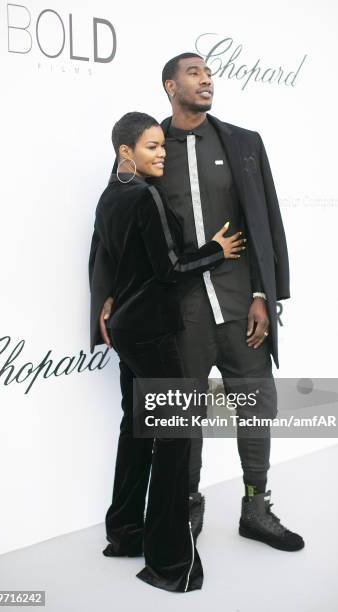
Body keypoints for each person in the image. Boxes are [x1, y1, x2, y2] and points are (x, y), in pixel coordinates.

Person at [104, 53, 305, 553]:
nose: (206, 78)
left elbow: (265, 222)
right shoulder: (152, 148)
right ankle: (185, 507)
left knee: (257, 404)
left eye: (209, 72)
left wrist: (265, 294)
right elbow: (117, 228)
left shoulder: (242, 142)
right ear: (169, 85)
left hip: (242, 304)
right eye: (194, 72)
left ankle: (256, 507)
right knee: (184, 415)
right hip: (179, 311)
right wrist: (108, 294)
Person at [88, 111, 245, 592]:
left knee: (136, 430)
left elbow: (107, 260)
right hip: (153, 333)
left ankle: (125, 532)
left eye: (163, 146)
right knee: (175, 437)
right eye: (152, 146)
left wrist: (106, 303)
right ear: (125, 152)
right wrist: (216, 249)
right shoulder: (145, 195)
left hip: (126, 331)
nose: (162, 153)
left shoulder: (110, 195)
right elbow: (172, 267)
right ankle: (168, 558)